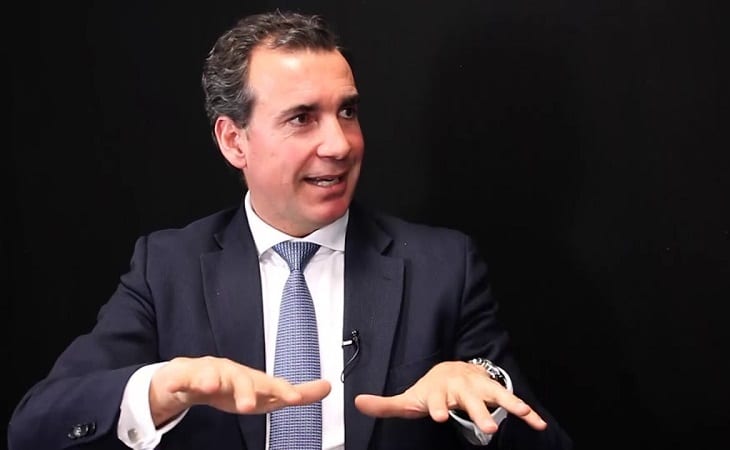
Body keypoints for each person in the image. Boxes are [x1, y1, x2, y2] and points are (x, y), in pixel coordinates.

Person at [7, 10, 572, 450]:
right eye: (302, 118)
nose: (340, 144)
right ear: (234, 141)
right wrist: (160, 391)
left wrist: (481, 403)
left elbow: (544, 442)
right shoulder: (166, 269)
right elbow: (35, 427)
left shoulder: (443, 266)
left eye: (347, 111)